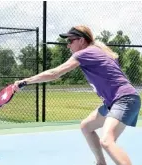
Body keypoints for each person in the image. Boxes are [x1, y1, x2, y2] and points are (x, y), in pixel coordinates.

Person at [13, 25, 141, 165]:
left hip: (124, 100)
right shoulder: (98, 51)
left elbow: (54, 73)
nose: (68, 45)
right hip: (116, 101)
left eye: (70, 41)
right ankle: (100, 163)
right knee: (86, 126)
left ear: (81, 40)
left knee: (106, 140)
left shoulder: (85, 53)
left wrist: (25, 82)